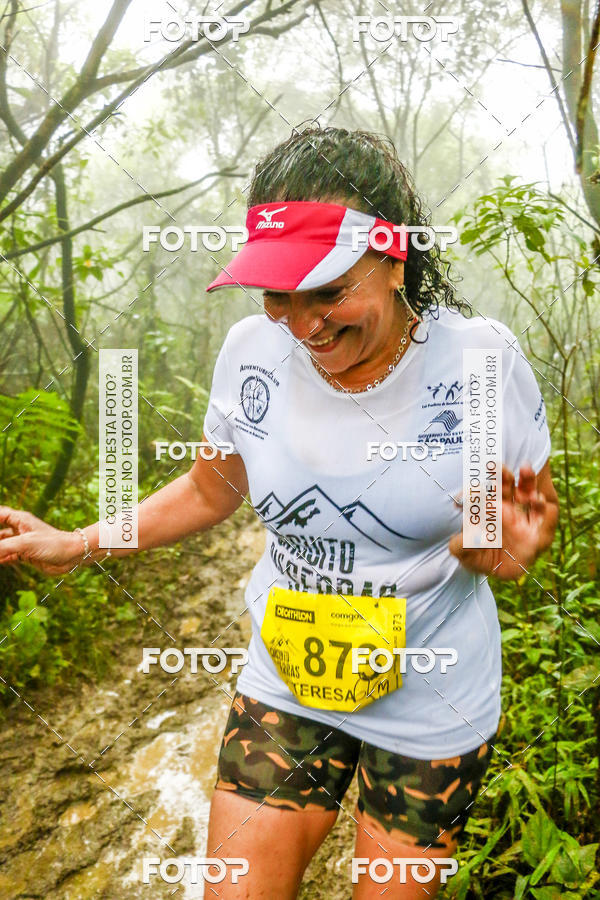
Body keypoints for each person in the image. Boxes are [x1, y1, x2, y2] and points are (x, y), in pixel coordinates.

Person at [0, 127, 559, 898]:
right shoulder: (249, 354)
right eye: (278, 294)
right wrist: (82, 541)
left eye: (329, 292)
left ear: (394, 260)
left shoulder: (477, 367)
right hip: (288, 679)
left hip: (431, 695)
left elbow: (505, 545)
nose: (303, 325)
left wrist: (504, 549)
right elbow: (209, 490)